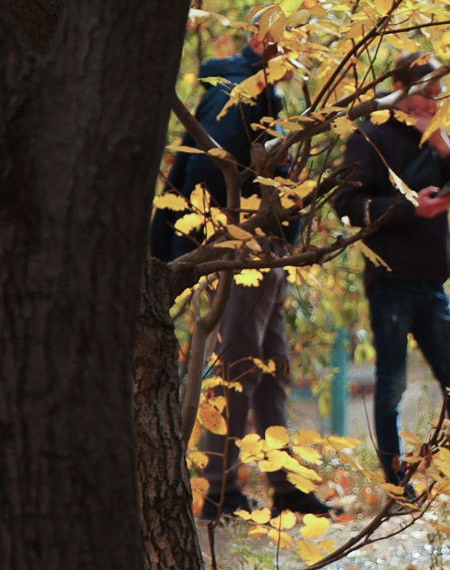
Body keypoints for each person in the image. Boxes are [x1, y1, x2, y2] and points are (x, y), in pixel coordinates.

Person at [150, 26, 331, 519]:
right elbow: (212, 171)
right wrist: (253, 210)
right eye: (297, 43)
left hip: (267, 249)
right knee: (238, 368)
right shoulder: (237, 89)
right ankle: (220, 490)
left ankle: (285, 486)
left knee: (272, 369)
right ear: (269, 41)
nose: (303, 56)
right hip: (242, 250)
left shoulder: (265, 91)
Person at [333, 53, 450, 488]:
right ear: (402, 93)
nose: (433, 101)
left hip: (432, 284)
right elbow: (346, 206)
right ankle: (395, 482)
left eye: (437, 93)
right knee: (392, 385)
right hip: (389, 283)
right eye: (426, 93)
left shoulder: (437, 140)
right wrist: (410, 207)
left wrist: (445, 147)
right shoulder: (370, 138)